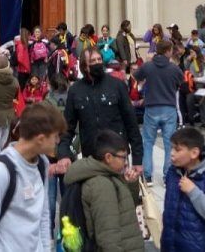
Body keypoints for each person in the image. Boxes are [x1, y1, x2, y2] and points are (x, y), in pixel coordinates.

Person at [0, 102, 66, 251]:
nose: (58, 141)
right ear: (41, 138)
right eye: (55, 136)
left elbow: (43, 216)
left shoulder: (42, 163)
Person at [55, 48, 143, 177]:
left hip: (117, 156)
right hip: (91, 158)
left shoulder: (117, 86)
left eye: (99, 59)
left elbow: (131, 124)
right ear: (85, 66)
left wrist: (138, 159)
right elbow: (67, 128)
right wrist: (63, 154)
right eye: (92, 61)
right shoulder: (75, 90)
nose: (97, 63)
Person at [63, 128, 144, 252]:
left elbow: (124, 209)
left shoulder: (108, 176)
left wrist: (129, 183)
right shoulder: (102, 185)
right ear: (108, 157)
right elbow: (108, 237)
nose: (126, 163)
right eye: (123, 158)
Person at [159, 126, 205, 252]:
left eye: (177, 150)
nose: (172, 153)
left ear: (194, 153)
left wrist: (193, 191)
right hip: (170, 245)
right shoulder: (173, 173)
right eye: (172, 148)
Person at [134, 39, 184, 183]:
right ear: (168, 51)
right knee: (169, 143)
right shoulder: (174, 68)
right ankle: (167, 175)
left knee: (148, 142)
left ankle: (148, 175)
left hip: (151, 106)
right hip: (168, 107)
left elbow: (136, 76)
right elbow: (180, 83)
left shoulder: (148, 66)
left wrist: (145, 83)